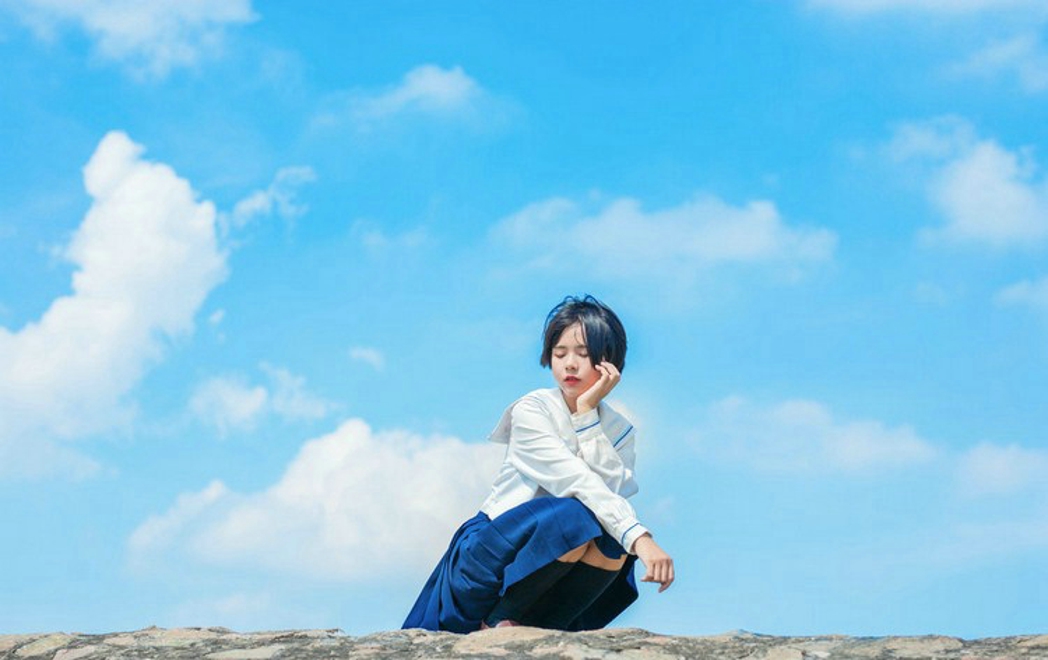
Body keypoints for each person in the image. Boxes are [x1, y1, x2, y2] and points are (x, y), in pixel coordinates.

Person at [402, 295, 674, 633]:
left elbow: (609, 496)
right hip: (488, 559)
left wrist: (587, 415)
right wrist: (641, 538)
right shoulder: (532, 411)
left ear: (609, 362)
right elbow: (577, 483)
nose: (569, 365)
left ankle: (547, 628)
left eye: (583, 354)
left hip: (554, 563)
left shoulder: (620, 431)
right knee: (576, 517)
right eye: (560, 354)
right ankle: (496, 620)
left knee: (610, 535)